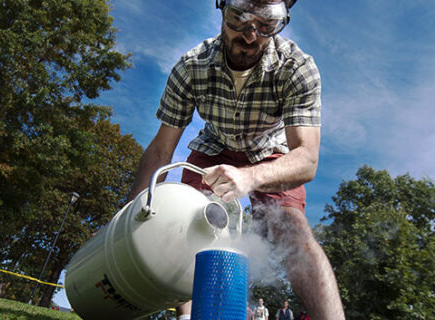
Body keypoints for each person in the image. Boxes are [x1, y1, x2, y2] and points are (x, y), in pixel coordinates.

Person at [127, 0, 345, 319]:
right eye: (238, 16)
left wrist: (251, 177)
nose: (250, 34)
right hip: (214, 148)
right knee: (191, 222)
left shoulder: (297, 67)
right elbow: (161, 149)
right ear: (220, 7)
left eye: (267, 23)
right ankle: (189, 315)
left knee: (290, 227)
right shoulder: (191, 66)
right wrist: (128, 218)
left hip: (271, 152)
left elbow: (307, 159)